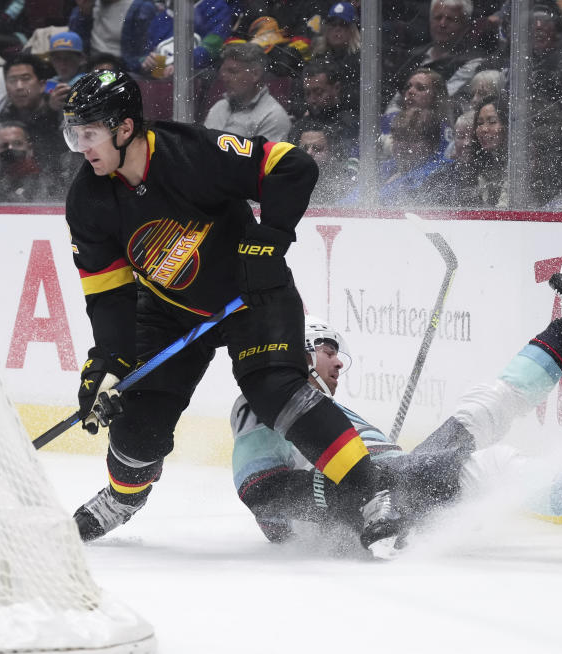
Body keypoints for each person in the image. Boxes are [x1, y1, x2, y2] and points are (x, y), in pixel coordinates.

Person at [61, 69, 403, 557]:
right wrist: (110, 362)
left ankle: (373, 494)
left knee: (277, 394)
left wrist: (272, 239)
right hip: (170, 310)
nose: (81, 146)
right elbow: (108, 292)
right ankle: (121, 497)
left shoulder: (192, 152)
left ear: (124, 128)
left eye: (89, 133)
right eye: (75, 134)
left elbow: (294, 166)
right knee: (138, 427)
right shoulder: (88, 197)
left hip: (253, 291)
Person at [230, 264, 562, 552]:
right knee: (493, 465)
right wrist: (365, 496)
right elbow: (260, 491)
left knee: (481, 411)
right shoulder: (261, 402)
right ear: (302, 349)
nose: (338, 363)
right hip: (386, 493)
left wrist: (369, 491)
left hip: (397, 479)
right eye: (329, 349)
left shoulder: (308, 404)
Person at [0, 52, 72, 186]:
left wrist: (51, 111)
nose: (19, 86)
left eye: (25, 79)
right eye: (12, 80)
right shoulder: (4, 116)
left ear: (42, 85)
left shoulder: (61, 109)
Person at [202, 42, 292, 142]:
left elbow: (265, 158)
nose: (225, 78)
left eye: (233, 72)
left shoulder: (273, 117)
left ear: (255, 74)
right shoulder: (218, 107)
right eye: (223, 72)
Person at [0, 120, 52, 202]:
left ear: (30, 148)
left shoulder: (45, 180)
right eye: (4, 145)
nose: (11, 148)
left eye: (18, 143)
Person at [45, 31, 86, 110]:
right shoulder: (50, 84)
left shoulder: (88, 83)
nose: (62, 64)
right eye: (57, 59)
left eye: (69, 58)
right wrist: (50, 106)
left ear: (81, 59)